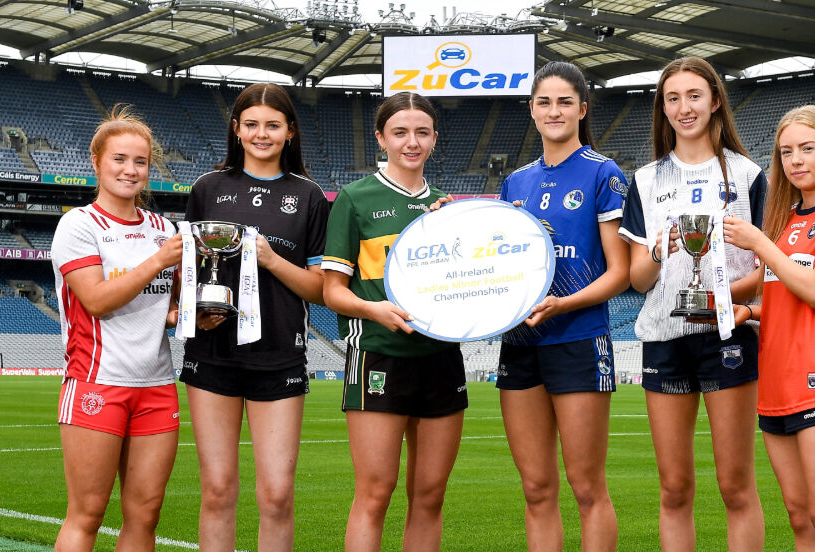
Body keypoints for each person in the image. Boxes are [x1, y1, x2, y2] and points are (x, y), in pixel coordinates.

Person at [618, 56, 766, 552]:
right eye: (673, 98)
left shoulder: (748, 175)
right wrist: (659, 251)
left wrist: (718, 297)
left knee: (735, 486)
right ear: (663, 108)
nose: (684, 107)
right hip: (664, 339)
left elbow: (767, 270)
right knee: (675, 488)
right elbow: (638, 280)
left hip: (728, 335)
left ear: (715, 101)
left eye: (694, 96)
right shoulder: (645, 180)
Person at [181, 83, 329, 552]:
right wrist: (195, 310)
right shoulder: (208, 188)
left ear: (290, 132)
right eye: (251, 125)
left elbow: (320, 290)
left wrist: (270, 259)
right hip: (212, 354)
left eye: (272, 125)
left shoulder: (308, 196)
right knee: (217, 490)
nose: (261, 134)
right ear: (236, 130)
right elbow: (189, 269)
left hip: (279, 356)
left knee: (277, 496)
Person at [722, 104, 815, 552]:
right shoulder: (786, 219)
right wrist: (747, 311)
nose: (795, 160)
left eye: (807, 148)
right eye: (786, 152)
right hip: (777, 380)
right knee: (801, 517)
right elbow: (782, 296)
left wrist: (759, 242)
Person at [321, 91, 466, 552]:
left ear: (435, 139)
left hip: (441, 358)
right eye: (400, 132)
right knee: (375, 493)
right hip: (378, 356)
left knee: (429, 496)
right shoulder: (354, 199)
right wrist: (374, 310)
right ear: (381, 138)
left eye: (422, 132)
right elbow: (332, 291)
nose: (412, 142)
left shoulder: (448, 207)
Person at [496, 61, 628, 552]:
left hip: (578, 338)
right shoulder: (516, 182)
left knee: (586, 487)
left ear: (582, 109)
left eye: (564, 102)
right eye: (544, 102)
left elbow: (619, 273)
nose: (554, 111)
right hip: (520, 341)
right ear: (531, 110)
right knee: (535, 488)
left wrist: (563, 303)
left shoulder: (602, 173)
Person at [51, 105, 182, 552]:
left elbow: (167, 307)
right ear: (97, 163)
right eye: (119, 159)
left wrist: (190, 316)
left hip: (157, 385)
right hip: (97, 382)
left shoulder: (164, 228)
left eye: (140, 161)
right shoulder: (79, 224)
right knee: (87, 514)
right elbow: (96, 300)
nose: (130, 170)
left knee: (145, 515)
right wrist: (158, 261)